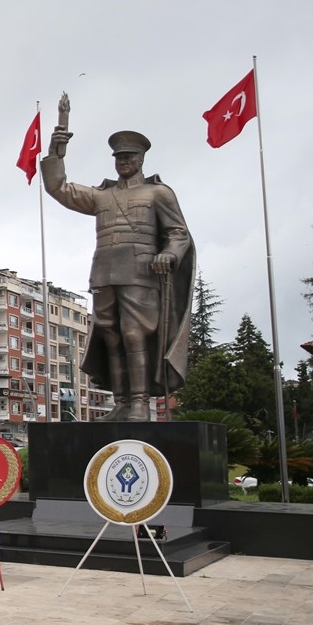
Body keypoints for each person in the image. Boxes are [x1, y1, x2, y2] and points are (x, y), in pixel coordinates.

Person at [42, 124, 194, 421]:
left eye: (129, 156)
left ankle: (139, 402)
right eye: (119, 157)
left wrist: (169, 254)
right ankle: (122, 402)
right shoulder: (102, 195)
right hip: (103, 273)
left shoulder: (158, 193)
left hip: (141, 273)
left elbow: (179, 233)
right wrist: (55, 152)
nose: (123, 161)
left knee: (134, 334)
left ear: (141, 159)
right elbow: (58, 188)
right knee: (111, 337)